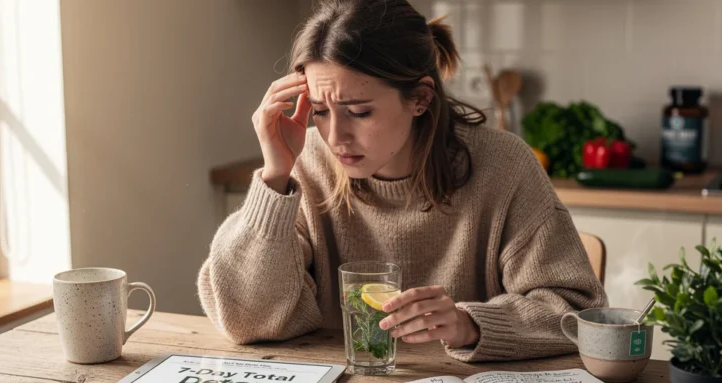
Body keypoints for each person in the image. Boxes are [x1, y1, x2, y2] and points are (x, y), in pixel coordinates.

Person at [197, 0, 607, 363]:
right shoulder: (304, 164)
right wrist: (274, 175)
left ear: (421, 99)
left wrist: (470, 325)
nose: (335, 137)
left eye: (358, 111)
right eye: (320, 111)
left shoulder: (505, 165)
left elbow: (576, 311)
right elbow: (245, 319)